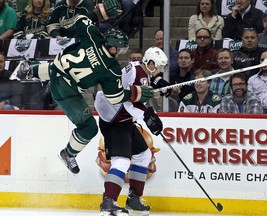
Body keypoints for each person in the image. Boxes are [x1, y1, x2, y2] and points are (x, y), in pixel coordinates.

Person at [12, 0, 155, 174]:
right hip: (66, 91)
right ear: (112, 48)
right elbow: (115, 97)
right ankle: (68, 154)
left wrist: (100, 13)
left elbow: (80, 19)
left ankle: (29, 71)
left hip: (56, 68)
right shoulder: (111, 69)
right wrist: (136, 93)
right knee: (89, 128)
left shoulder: (92, 35)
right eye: (120, 50)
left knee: (60, 66)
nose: (120, 53)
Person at [94, 46, 167, 215]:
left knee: (144, 155)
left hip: (124, 121)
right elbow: (124, 99)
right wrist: (146, 116)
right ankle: (108, 202)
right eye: (159, 66)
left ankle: (134, 199)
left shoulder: (142, 73)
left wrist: (149, 114)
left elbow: (138, 98)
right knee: (122, 162)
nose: (160, 70)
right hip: (114, 121)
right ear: (151, 63)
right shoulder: (133, 71)